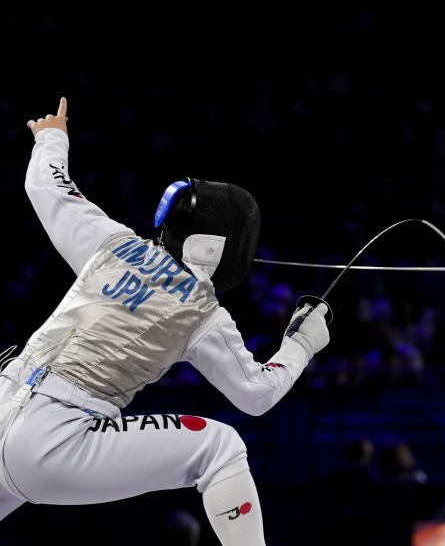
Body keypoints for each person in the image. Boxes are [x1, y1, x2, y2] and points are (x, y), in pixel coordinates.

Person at [0, 99, 331, 546]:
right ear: (222, 245)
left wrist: (51, 136)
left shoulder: (111, 244)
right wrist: (302, 344)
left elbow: (48, 188)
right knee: (221, 448)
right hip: (55, 443)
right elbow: (257, 395)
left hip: (5, 398)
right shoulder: (202, 313)